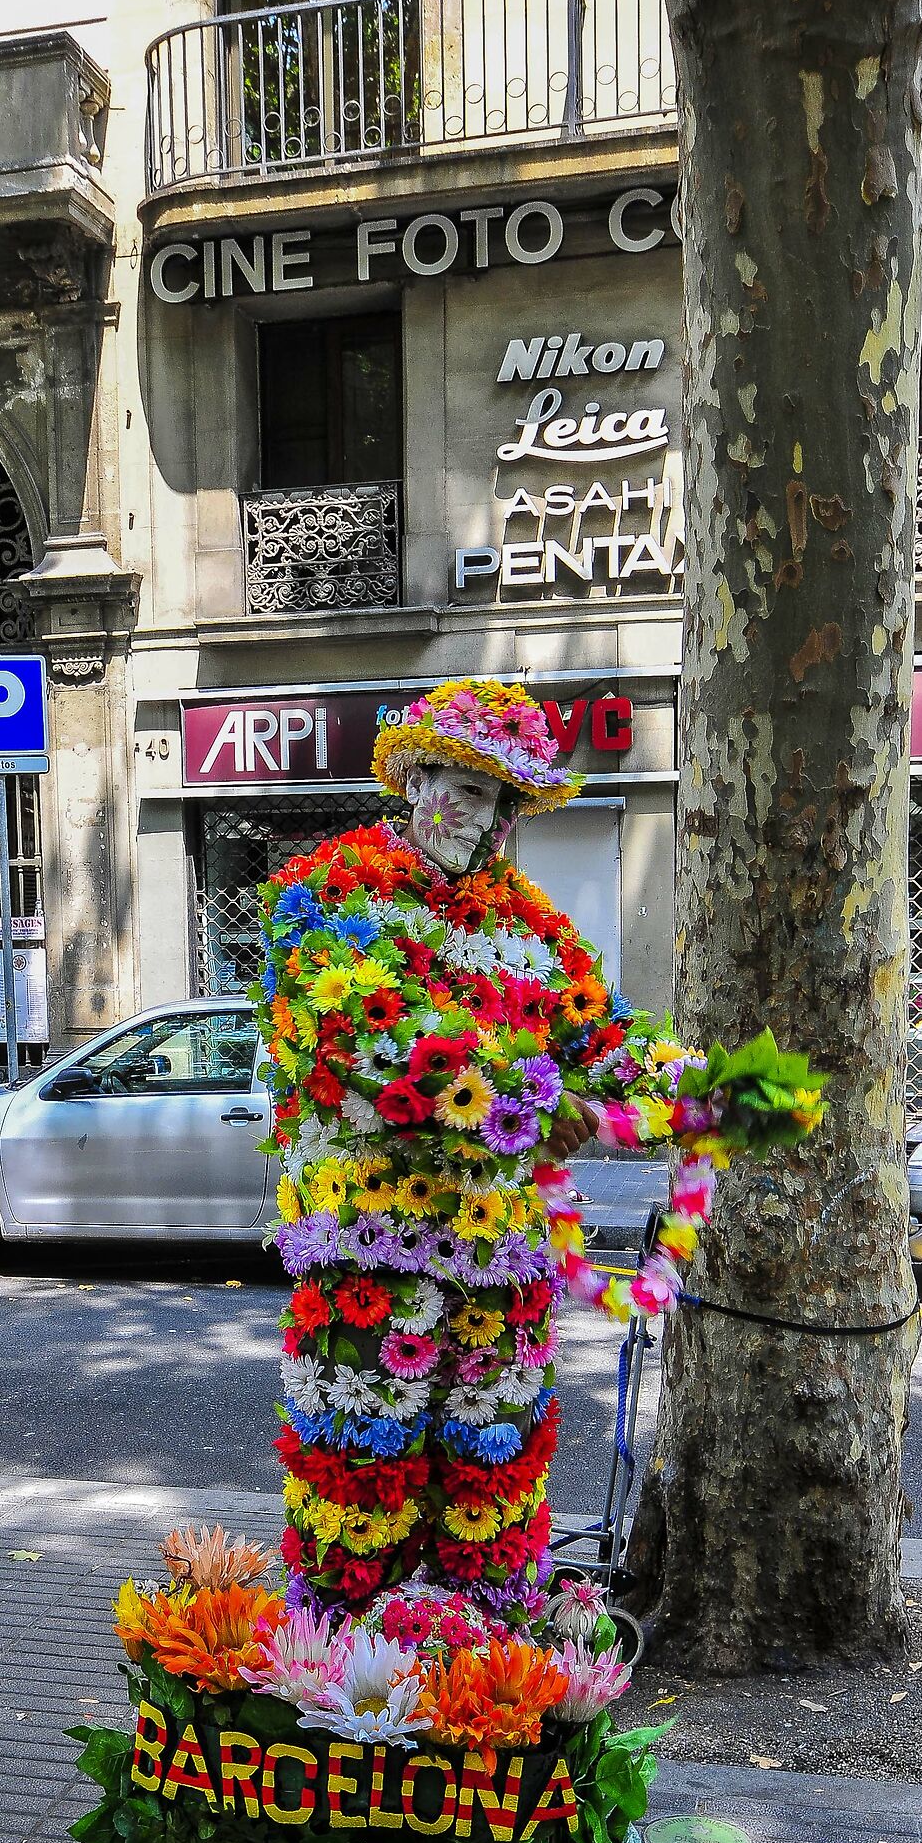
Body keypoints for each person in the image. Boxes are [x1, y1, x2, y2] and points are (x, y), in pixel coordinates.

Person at [255, 679, 712, 1624]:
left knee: (492, 1457)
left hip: (502, 1255)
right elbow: (367, 1048)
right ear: (414, 777)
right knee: (363, 1459)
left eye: (499, 796)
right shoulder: (325, 895)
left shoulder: (532, 925)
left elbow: (601, 1036)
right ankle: (346, 1663)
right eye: (459, 784)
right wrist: (540, 1101)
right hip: (369, 1255)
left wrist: (694, 1088)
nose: (475, 811)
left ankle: (486, 1658)